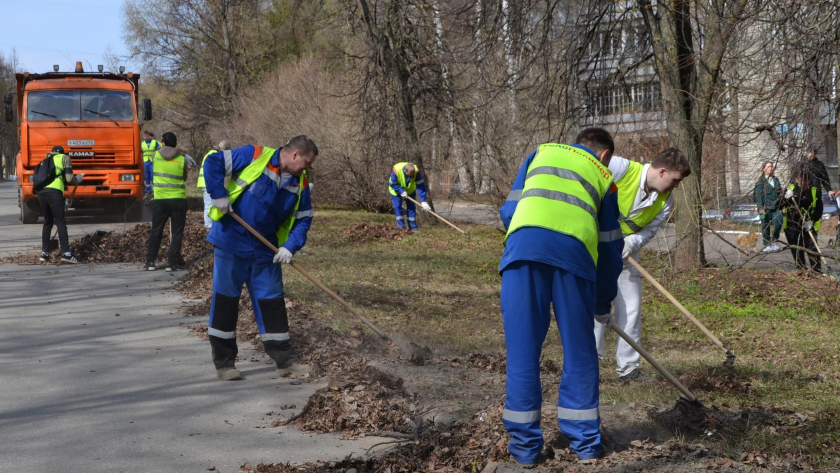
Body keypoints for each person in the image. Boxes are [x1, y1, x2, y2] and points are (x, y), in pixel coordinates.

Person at [498, 127, 624, 463]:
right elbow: (610, 249)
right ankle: (585, 446)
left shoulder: (540, 154)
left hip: (522, 255)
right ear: (604, 155)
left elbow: (508, 212)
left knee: (523, 353)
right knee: (580, 352)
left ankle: (524, 451)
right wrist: (602, 302)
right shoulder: (604, 177)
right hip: (574, 261)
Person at [202, 135, 316, 381]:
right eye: (307, 162)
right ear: (295, 154)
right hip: (231, 242)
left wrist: (290, 246)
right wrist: (218, 194)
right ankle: (224, 363)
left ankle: (285, 360)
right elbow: (213, 162)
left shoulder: (301, 182)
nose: (308, 168)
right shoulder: (254, 155)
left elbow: (304, 218)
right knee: (225, 302)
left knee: (272, 303)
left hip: (266, 250)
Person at [593, 148, 689, 382]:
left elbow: (650, 230)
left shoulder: (665, 200)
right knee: (595, 307)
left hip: (626, 254)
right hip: (595, 250)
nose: (676, 186)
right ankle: (589, 364)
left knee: (631, 308)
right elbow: (588, 177)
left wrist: (631, 242)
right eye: (675, 180)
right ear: (662, 171)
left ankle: (629, 369)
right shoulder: (621, 168)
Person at [144, 132, 188, 272]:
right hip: (178, 200)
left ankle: (150, 262)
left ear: (162, 143)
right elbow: (184, 177)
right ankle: (172, 263)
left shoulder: (155, 155)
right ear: (175, 144)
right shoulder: (182, 159)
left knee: (156, 231)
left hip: (160, 200)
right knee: (176, 232)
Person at [37, 146, 83, 263]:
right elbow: (68, 178)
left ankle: (44, 254)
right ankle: (66, 254)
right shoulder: (64, 158)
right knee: (60, 222)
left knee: (47, 223)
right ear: (62, 153)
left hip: (41, 193)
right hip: (54, 193)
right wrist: (77, 179)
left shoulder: (46, 160)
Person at [781, 164, 823, 273]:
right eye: (800, 179)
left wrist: (812, 221)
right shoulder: (790, 189)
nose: (802, 182)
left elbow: (819, 209)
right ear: (796, 179)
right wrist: (785, 198)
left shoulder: (814, 191)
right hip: (792, 225)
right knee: (796, 249)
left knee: (812, 248)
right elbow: (779, 205)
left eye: (805, 180)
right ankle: (801, 270)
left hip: (808, 224)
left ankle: (816, 270)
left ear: (808, 180)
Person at [197, 140, 232, 229]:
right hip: (207, 183)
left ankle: (210, 224)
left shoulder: (211, 153)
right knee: (209, 204)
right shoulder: (215, 155)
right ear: (224, 149)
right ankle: (208, 225)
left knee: (209, 203)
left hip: (205, 182)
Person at [388, 162, 430, 230]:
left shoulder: (416, 171)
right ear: (405, 171)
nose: (411, 177)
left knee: (411, 208)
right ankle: (401, 227)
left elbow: (421, 186)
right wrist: (400, 191)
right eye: (409, 175)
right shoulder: (396, 170)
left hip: (410, 190)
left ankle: (413, 227)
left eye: (412, 175)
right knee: (397, 206)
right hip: (395, 190)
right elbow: (393, 183)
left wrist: (423, 201)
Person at [755, 161, 783, 252]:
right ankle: (766, 243)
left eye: (771, 166)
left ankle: (774, 241)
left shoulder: (776, 179)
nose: (771, 168)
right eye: (768, 166)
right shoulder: (761, 181)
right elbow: (758, 196)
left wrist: (783, 204)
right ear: (764, 169)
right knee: (765, 224)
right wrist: (760, 208)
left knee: (779, 220)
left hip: (776, 206)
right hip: (764, 207)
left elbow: (780, 193)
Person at [141, 131, 161, 197]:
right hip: (145, 161)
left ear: (149, 136)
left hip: (152, 161)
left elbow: (160, 150)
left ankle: (155, 190)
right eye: (144, 136)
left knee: (153, 176)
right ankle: (149, 191)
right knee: (146, 176)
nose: (145, 138)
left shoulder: (154, 142)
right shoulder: (142, 144)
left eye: (146, 136)